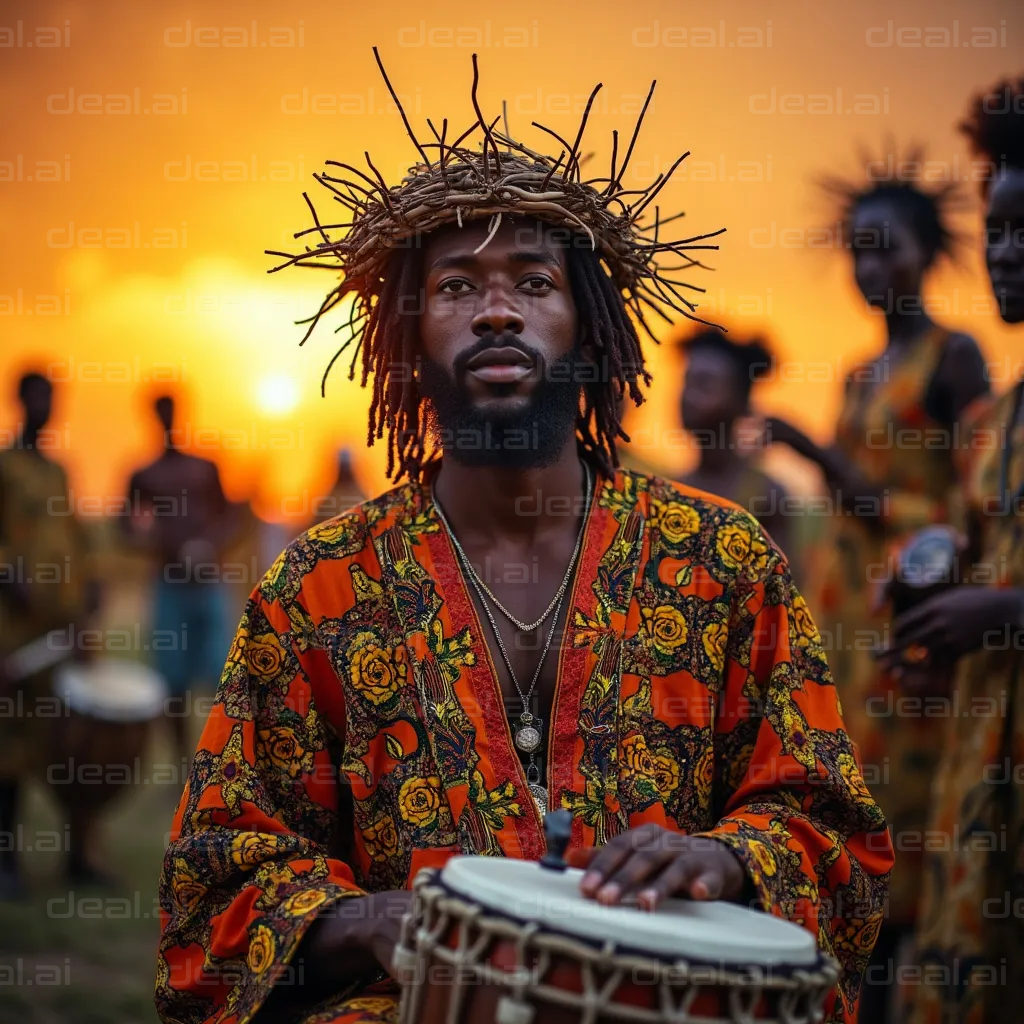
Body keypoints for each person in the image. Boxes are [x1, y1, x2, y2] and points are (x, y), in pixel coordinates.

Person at [155, 57, 893, 1024]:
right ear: (407, 342)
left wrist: (726, 856)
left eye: (533, 281)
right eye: (457, 286)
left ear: (589, 330)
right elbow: (213, 889)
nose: (496, 309)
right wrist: (367, 918)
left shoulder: (724, 561)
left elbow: (837, 838)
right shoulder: (317, 590)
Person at [759, 157, 990, 1018]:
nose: (867, 269)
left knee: (909, 820)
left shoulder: (954, 357)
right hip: (848, 625)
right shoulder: (859, 371)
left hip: (916, 621)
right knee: (843, 801)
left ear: (927, 254)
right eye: (856, 252)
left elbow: (974, 507)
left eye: (884, 250)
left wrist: (814, 454)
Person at [878, 74, 1024, 1024]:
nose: (1005, 255)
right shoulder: (996, 420)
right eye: (999, 231)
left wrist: (1005, 612)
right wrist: (933, 622)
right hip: (985, 733)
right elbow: (971, 560)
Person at [0, 373, 98, 890]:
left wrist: (92, 585)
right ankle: (7, 859)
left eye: (53, 398)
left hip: (63, 628)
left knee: (73, 747)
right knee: (10, 749)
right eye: (38, 397)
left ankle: (77, 857)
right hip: (16, 630)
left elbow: (76, 537)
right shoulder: (5, 465)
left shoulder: (59, 470)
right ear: (20, 400)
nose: (46, 407)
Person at [122, 395, 236, 765]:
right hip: (170, 585)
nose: (168, 419)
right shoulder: (144, 474)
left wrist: (206, 545)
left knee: (225, 673)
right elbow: (124, 524)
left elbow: (230, 517)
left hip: (208, 583)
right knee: (172, 682)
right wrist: (157, 543)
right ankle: (182, 766)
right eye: (162, 413)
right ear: (154, 417)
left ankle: (226, 758)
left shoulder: (205, 467)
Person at [676, 328, 793, 559]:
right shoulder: (671, 488)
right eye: (686, 382)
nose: (687, 396)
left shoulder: (766, 496)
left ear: (741, 402)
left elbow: (786, 585)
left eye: (704, 385)